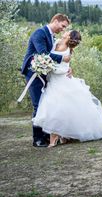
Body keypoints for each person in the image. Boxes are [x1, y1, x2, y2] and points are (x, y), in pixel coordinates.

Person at [32, 30, 102, 146]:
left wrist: (49, 67)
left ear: (69, 36)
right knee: (59, 108)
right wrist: (44, 65)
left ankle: (54, 138)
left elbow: (62, 67)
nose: (65, 31)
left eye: (68, 31)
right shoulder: (57, 42)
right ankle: (63, 135)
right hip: (53, 82)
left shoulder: (67, 52)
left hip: (61, 82)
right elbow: (48, 55)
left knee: (56, 108)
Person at [21, 13, 71, 147]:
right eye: (63, 26)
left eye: (65, 27)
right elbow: (43, 53)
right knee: (38, 105)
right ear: (55, 21)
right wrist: (62, 59)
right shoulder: (39, 33)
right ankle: (37, 139)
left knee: (45, 104)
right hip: (33, 73)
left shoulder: (51, 35)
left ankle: (45, 135)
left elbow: (50, 56)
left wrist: (67, 68)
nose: (63, 29)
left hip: (44, 73)